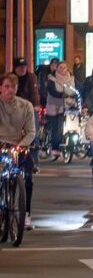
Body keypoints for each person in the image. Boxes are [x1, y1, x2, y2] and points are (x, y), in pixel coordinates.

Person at [0, 73, 36, 229]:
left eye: (13, 87)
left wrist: (22, 145)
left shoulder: (26, 106)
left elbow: (31, 131)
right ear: (1, 88)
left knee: (27, 177)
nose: (10, 90)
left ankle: (26, 213)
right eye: (6, 86)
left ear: (17, 88)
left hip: (18, 144)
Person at [45, 62, 77, 161]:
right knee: (57, 128)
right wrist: (61, 95)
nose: (62, 69)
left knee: (72, 124)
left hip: (68, 105)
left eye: (64, 67)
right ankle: (55, 148)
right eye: (60, 67)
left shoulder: (71, 78)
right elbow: (52, 91)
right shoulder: (52, 79)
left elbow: (77, 88)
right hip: (55, 106)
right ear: (57, 69)